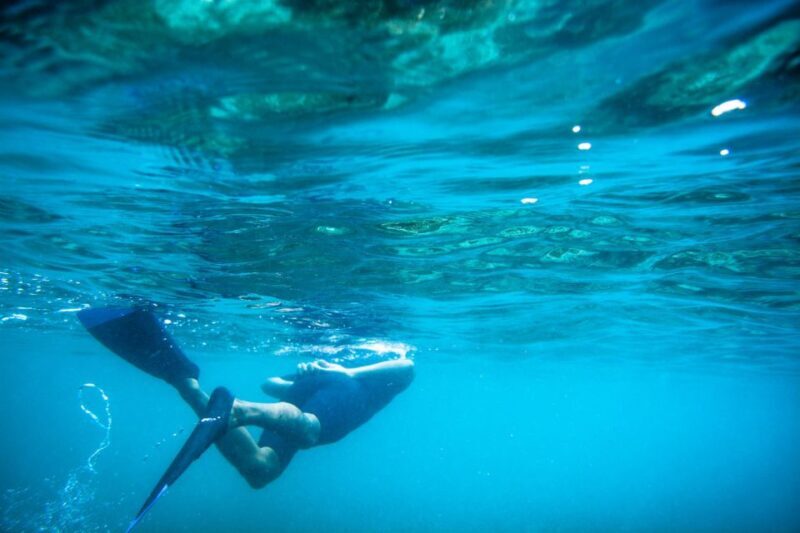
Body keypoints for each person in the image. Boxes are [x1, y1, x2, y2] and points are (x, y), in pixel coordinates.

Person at [76, 307, 414, 530]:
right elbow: (272, 384)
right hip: (345, 393)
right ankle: (239, 409)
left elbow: (403, 368)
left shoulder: (373, 355)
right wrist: (307, 374)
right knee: (309, 431)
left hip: (344, 383)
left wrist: (333, 371)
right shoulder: (353, 358)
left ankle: (187, 386)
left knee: (260, 470)